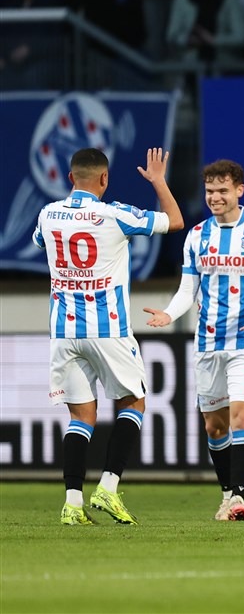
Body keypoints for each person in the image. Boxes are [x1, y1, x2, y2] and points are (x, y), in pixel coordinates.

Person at [33, 147, 184, 525]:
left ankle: (71, 504)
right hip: (108, 329)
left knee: (81, 415)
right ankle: (108, 488)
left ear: (70, 178)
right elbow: (175, 220)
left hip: (63, 332)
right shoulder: (115, 214)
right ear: (104, 178)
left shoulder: (48, 214)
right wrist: (158, 182)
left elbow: (40, 242)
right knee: (134, 403)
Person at [144, 159, 244, 522]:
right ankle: (225, 492)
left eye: (222, 191)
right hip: (207, 342)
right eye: (209, 192)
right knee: (214, 426)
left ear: (240, 191)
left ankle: (238, 496)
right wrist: (169, 314)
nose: (215, 198)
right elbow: (188, 289)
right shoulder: (197, 236)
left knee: (241, 415)